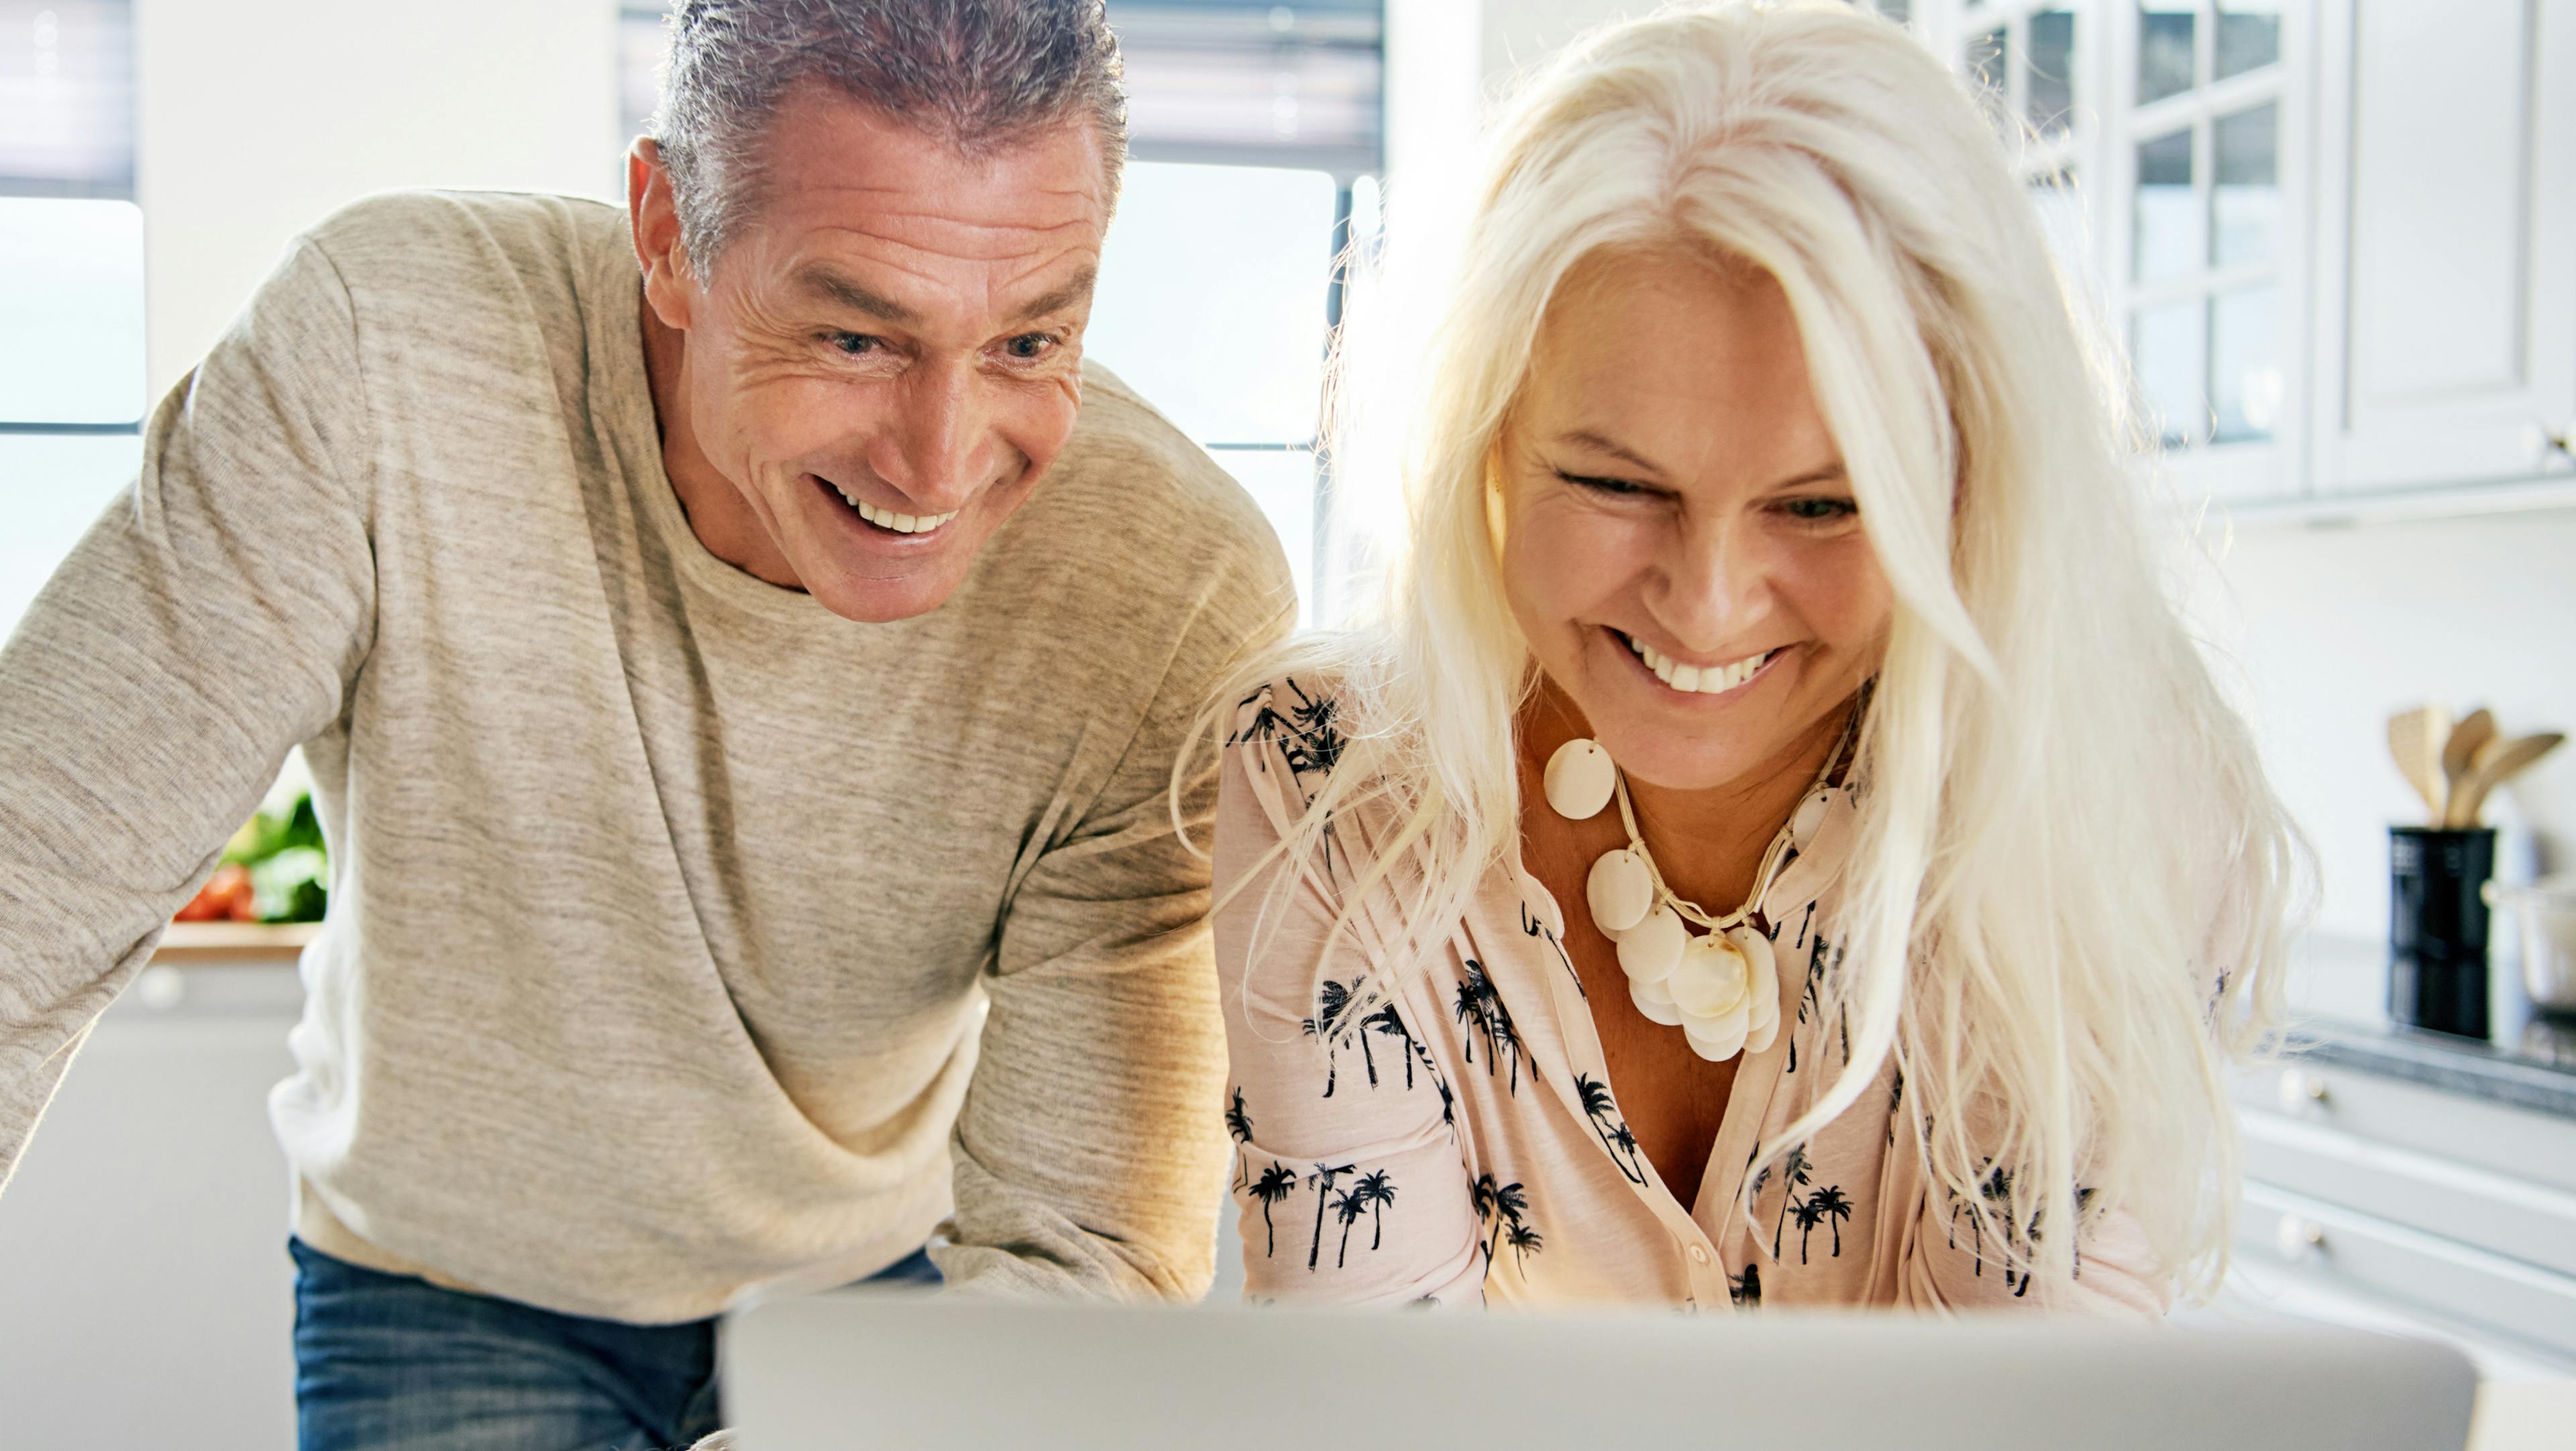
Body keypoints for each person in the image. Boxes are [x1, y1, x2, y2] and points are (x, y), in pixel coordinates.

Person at [0, 1, 1289, 1446]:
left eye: (1030, 338)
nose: (940, 459)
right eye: (857, 334)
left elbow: (1090, 1253)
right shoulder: (388, 354)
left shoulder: (1166, 587)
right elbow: (25, 880)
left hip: (895, 1291)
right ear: (669, 230)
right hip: (451, 1282)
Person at [1211, 1, 2300, 1314]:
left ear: (1970, 492)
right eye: (1616, 482)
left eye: (1823, 505)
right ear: (1485, 445)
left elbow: (2010, 1417)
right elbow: (1372, 1400)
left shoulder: (2114, 803)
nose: (1709, 606)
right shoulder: (1331, 778)